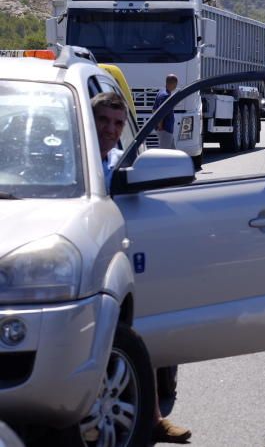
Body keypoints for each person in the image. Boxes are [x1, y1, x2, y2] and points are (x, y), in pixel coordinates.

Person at [90, 92, 192, 444]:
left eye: (118, 123)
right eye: (103, 120)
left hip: (118, 266)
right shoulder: (65, 161)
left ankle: (153, 419)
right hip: (75, 269)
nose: (110, 129)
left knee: (139, 337)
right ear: (88, 121)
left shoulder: (123, 164)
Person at [153, 74, 178, 150]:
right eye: (176, 84)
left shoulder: (161, 92)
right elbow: (161, 112)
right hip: (165, 130)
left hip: (166, 130)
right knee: (164, 153)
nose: (176, 86)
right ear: (173, 84)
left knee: (173, 152)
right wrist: (160, 126)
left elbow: (154, 109)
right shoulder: (166, 95)